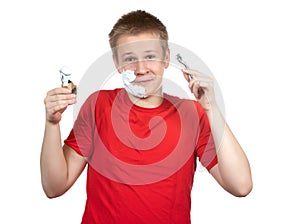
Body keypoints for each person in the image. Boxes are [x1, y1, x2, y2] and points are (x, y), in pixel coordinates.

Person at [40, 10, 252, 224]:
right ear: (116, 63)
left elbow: (241, 185)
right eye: (130, 59)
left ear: (166, 58)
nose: (141, 69)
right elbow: (54, 187)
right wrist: (52, 123)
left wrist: (212, 108)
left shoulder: (191, 113)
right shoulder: (98, 106)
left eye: (150, 56)